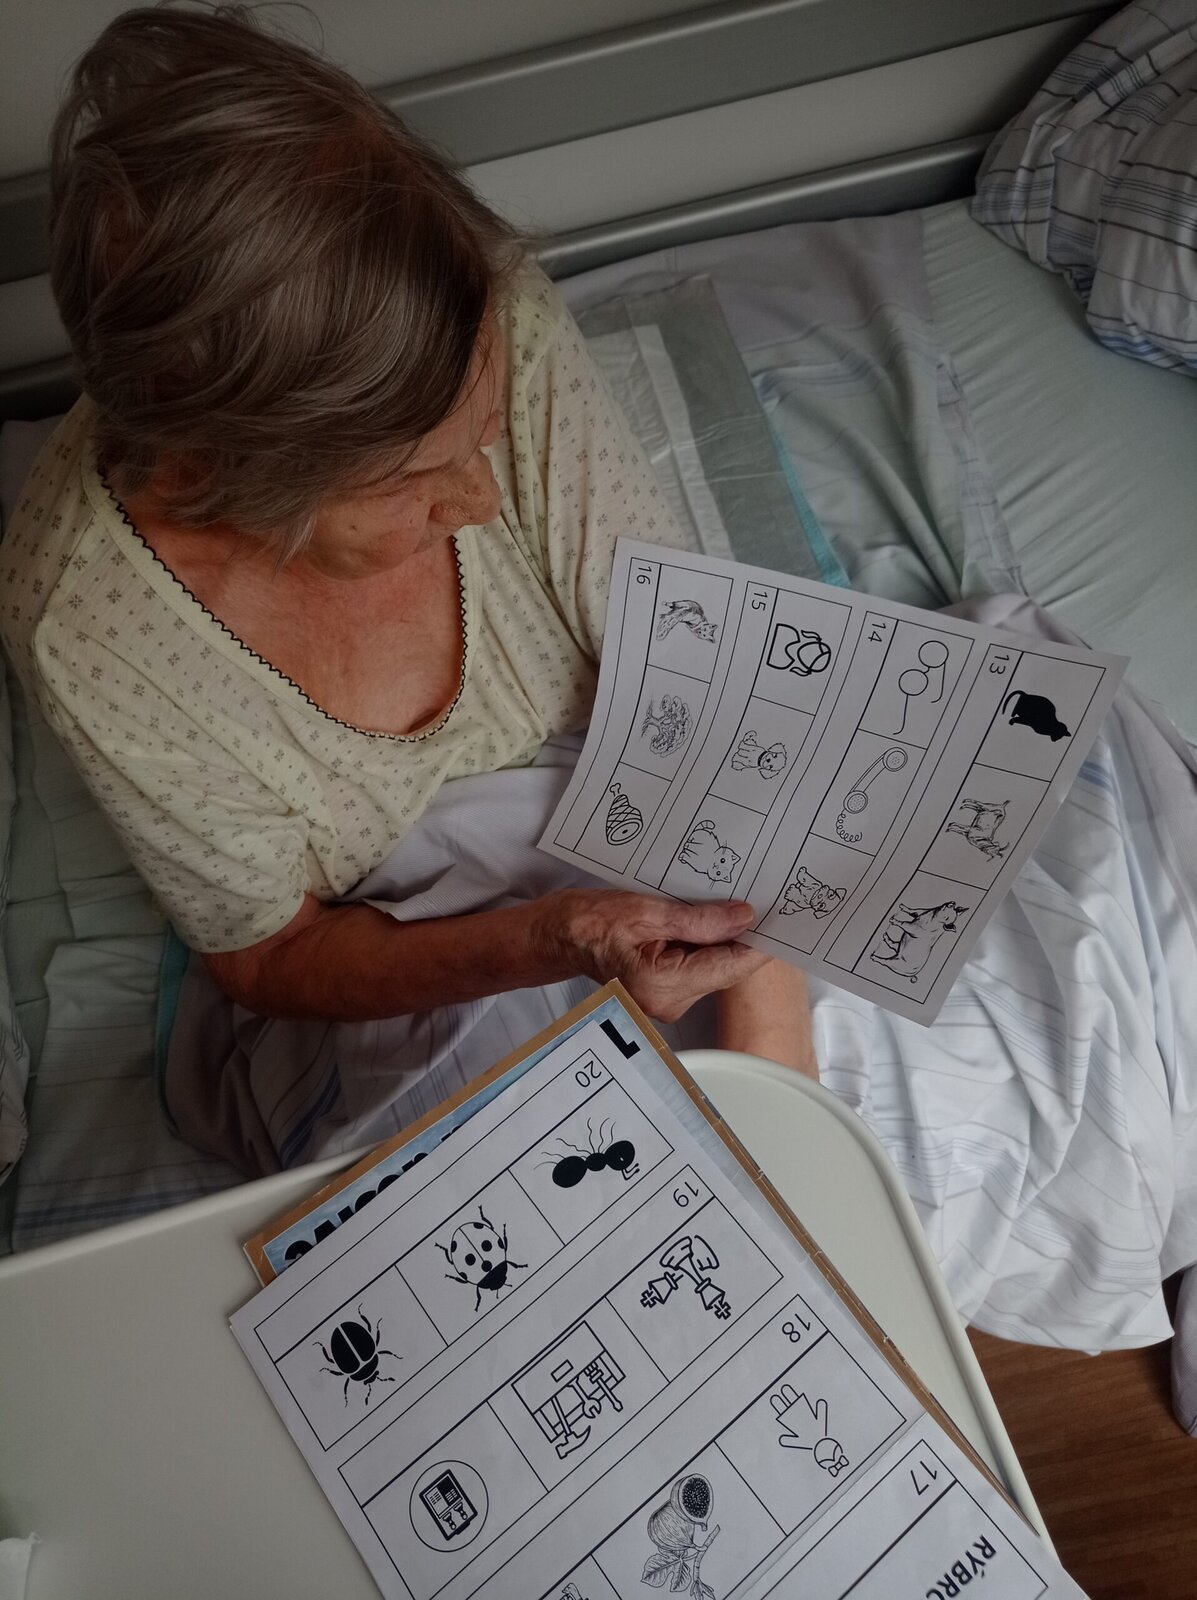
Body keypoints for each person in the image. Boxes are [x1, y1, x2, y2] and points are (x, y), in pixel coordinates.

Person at [3, 4, 814, 1131]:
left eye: (478, 439)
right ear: (225, 482)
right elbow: (274, 954)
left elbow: (699, 672)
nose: (483, 503)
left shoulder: (485, 313)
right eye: (416, 481)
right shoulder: (86, 629)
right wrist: (555, 936)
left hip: (660, 807)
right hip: (416, 943)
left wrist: (771, 1041)